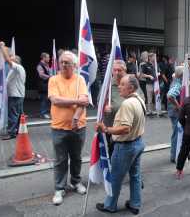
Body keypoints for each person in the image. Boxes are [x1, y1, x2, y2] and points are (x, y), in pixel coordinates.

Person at [95, 75, 146, 215]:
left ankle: (110, 205)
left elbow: (125, 128)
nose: (119, 86)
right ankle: (135, 204)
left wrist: (106, 129)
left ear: (131, 88)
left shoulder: (127, 104)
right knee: (135, 175)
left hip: (126, 146)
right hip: (138, 143)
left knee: (115, 177)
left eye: (122, 84)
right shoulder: (139, 99)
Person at [48, 51, 89, 205]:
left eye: (67, 62)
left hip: (78, 126)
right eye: (62, 62)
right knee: (60, 159)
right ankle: (59, 188)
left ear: (74, 65)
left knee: (77, 157)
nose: (64, 65)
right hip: (59, 127)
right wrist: (75, 101)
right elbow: (56, 100)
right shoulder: (53, 80)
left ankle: (76, 181)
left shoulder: (80, 80)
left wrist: (76, 117)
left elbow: (84, 101)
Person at [0, 41, 26, 140]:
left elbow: (7, 59)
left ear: (16, 61)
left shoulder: (17, 68)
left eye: (12, 59)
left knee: (13, 114)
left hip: (16, 95)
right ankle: (19, 130)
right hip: (17, 95)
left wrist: (2, 47)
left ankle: (12, 133)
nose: (10, 60)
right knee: (18, 114)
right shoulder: (15, 70)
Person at [167, 66, 184, 163]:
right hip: (175, 112)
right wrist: (178, 106)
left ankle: (176, 154)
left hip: (173, 111)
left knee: (177, 133)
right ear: (182, 75)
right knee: (177, 134)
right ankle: (174, 156)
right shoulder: (177, 84)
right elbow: (170, 96)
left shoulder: (177, 81)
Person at [36, 52, 51, 119]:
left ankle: (45, 112)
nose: (49, 58)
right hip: (42, 84)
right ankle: (43, 113)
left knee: (46, 98)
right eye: (48, 57)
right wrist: (50, 76)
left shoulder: (46, 65)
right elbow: (41, 75)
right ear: (43, 58)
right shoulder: (40, 65)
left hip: (46, 84)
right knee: (44, 99)